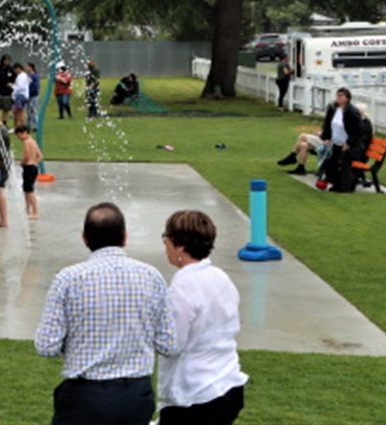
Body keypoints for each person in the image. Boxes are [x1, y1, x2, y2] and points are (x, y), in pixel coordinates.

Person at [35, 202, 176, 425]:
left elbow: (46, 345)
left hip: (84, 397)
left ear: (84, 238)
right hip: (135, 396)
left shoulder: (68, 279)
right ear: (124, 236)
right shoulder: (152, 276)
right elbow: (167, 343)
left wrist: (78, 344)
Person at [158, 210, 248, 424]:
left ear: (179, 245)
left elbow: (171, 344)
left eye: (166, 240)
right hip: (228, 383)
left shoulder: (181, 288)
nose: (165, 246)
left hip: (196, 396)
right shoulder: (221, 277)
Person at [320, 86, 365, 193]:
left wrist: (349, 143)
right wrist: (326, 137)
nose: (338, 98)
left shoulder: (352, 112)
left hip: (349, 145)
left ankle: (344, 187)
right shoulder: (333, 109)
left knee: (344, 162)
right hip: (335, 142)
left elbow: (357, 130)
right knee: (330, 162)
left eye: (341, 96)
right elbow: (327, 125)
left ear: (347, 98)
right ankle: (335, 183)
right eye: (337, 95)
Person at [16, 125, 43, 220]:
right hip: (34, 167)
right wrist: (34, 162)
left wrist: (22, 163)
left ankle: (35, 212)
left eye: (19, 136)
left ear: (23, 133)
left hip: (28, 167)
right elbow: (40, 156)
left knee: (29, 190)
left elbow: (26, 156)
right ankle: (28, 208)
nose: (19, 139)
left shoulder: (27, 142)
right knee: (26, 189)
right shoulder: (33, 142)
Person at [0, 54, 15, 124]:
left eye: (8, 60)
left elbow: (14, 80)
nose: (7, 62)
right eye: (6, 60)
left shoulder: (11, 69)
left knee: (6, 109)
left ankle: (4, 122)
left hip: (7, 93)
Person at [11, 62, 30, 129]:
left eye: (15, 70)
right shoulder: (20, 76)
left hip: (21, 96)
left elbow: (20, 87)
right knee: (16, 111)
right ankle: (16, 126)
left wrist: (13, 87)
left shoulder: (22, 76)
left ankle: (22, 126)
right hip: (19, 96)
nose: (15, 71)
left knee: (20, 111)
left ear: (18, 68)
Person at [26, 62, 41, 132]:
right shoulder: (32, 76)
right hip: (31, 95)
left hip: (33, 95)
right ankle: (29, 125)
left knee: (32, 110)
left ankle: (36, 125)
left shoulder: (33, 76)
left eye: (27, 67)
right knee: (29, 111)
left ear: (30, 68)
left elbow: (26, 84)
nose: (26, 68)